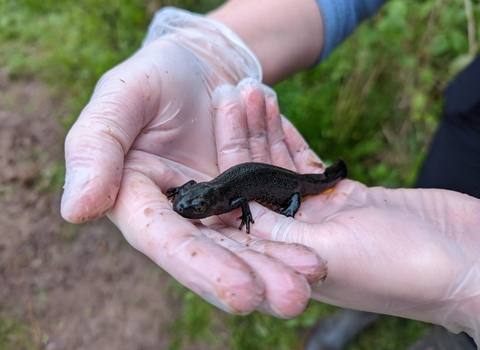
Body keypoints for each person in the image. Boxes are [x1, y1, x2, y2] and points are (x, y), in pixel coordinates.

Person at [60, 0, 480, 348]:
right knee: (441, 181)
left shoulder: (226, 199)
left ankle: (454, 335)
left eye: (195, 208)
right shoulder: (204, 194)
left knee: (309, 188)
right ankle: (381, 302)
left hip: (289, 184)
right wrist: (209, 50)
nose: (193, 209)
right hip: (470, 118)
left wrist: (465, 285)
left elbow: (239, 198)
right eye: (191, 207)